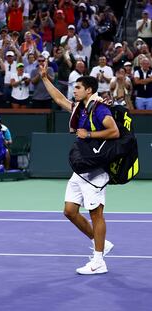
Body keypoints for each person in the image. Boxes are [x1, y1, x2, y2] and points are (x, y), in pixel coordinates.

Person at [40, 63, 118, 275]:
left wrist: (89, 135)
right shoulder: (79, 109)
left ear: (89, 91)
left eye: (78, 88)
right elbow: (58, 99)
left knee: (96, 214)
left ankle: (99, 260)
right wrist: (45, 78)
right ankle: (100, 241)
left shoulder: (100, 108)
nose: (74, 91)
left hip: (96, 170)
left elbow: (114, 131)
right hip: (81, 168)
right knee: (70, 211)